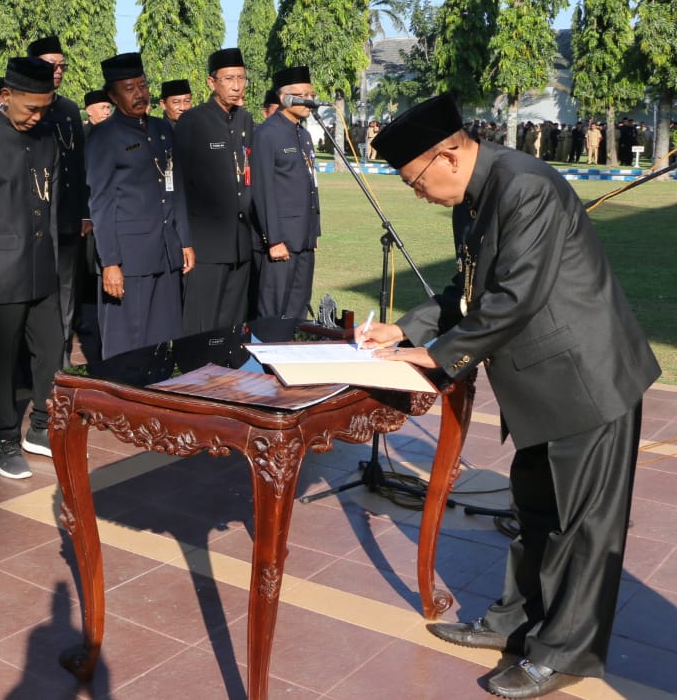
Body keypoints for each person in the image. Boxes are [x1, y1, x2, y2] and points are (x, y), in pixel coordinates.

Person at [360, 94, 659, 700]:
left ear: (448, 155)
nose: (418, 194)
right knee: (536, 513)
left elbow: (515, 295)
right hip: (542, 384)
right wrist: (407, 329)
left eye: (416, 181)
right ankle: (514, 623)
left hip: (588, 380)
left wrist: (438, 356)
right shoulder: (475, 197)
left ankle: (564, 653)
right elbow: (468, 287)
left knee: (583, 527)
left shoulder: (525, 186)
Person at [0, 56, 60, 478]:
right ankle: (2, 439)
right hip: (1, 269)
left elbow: (52, 201)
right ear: (6, 96)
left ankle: (41, 427)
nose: (37, 116)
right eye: (30, 108)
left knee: (52, 351)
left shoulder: (47, 137)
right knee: (2, 360)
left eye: (45, 108)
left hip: (42, 264)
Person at [85, 52, 193, 360]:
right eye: (129, 88)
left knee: (164, 340)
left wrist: (185, 240)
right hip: (128, 260)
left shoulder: (162, 130)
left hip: (165, 252)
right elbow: (101, 203)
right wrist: (110, 263)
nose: (139, 94)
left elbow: (175, 187)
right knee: (126, 346)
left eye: (143, 85)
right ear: (112, 96)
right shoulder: (104, 136)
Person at [174, 48, 254, 334]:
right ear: (211, 82)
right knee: (201, 325)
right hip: (205, 244)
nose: (236, 86)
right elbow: (179, 185)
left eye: (241, 78)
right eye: (228, 79)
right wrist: (184, 240)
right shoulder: (193, 121)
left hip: (240, 243)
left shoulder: (245, 120)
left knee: (232, 325)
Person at [28, 35, 90, 368]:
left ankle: (62, 355)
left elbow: (79, 164)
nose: (58, 70)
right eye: (51, 64)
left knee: (66, 290)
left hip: (66, 217)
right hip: (34, 221)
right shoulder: (24, 108)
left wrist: (84, 212)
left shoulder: (67, 109)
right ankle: (33, 362)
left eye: (62, 65)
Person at [249, 66, 321, 340]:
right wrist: (274, 239)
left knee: (298, 307)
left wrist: (314, 231)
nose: (308, 100)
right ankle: (268, 358)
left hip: (304, 238)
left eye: (311, 94)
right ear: (283, 98)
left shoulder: (303, 134)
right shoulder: (267, 133)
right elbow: (263, 191)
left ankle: (293, 353)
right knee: (274, 309)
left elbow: (312, 185)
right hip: (281, 240)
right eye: (301, 95)